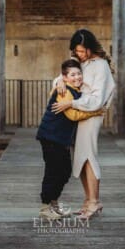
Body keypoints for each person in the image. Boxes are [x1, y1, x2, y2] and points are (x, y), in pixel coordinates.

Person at [52, 29, 115, 219]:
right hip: (78, 114)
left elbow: (97, 100)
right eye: (76, 51)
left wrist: (71, 102)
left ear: (90, 47)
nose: (79, 55)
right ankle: (88, 200)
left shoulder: (101, 66)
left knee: (89, 155)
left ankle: (95, 202)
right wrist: (59, 82)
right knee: (79, 157)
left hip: (91, 115)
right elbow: (66, 74)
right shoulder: (81, 62)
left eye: (82, 51)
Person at [36, 58, 103, 220]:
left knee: (64, 171)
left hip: (60, 139)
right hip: (51, 137)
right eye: (72, 74)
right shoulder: (64, 91)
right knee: (53, 172)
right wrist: (95, 111)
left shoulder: (74, 90)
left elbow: (76, 105)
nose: (77, 77)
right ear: (65, 77)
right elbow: (73, 115)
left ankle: (53, 203)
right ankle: (45, 208)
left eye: (79, 73)